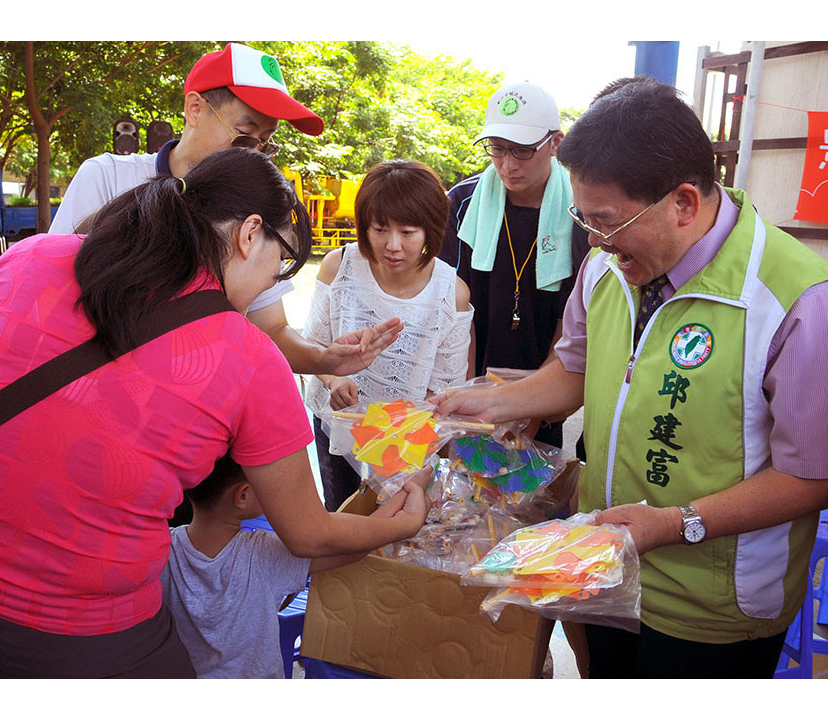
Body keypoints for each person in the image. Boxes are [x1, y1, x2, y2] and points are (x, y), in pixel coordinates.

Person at [0, 148, 428, 678]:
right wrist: (398, 524)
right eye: (280, 262)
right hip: (85, 624)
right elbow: (307, 534)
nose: (271, 283)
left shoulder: (29, 256)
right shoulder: (248, 356)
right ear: (250, 233)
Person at [433, 76, 828, 678]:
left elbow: (809, 476)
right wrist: (493, 403)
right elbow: (575, 366)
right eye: (583, 218)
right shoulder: (606, 263)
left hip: (715, 604)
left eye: (607, 222)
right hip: (602, 564)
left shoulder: (796, 300)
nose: (592, 240)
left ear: (684, 203)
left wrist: (672, 523)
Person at [0, 42, 401, 378]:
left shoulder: (255, 213)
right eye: (246, 136)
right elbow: (46, 286)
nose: (257, 154)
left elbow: (272, 330)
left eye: (267, 143)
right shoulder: (108, 178)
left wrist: (325, 359)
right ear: (195, 108)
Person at [160, 454, 431, 678]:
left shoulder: (164, 547)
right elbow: (355, 547)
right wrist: (410, 491)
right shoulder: (263, 554)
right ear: (242, 496)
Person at [302, 160, 474, 511]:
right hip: (339, 425)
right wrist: (334, 381)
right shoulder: (339, 267)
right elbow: (311, 345)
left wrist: (398, 435)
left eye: (408, 232)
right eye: (379, 230)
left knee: (395, 524)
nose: (392, 245)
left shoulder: (451, 293)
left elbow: (445, 385)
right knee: (341, 513)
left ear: (431, 230)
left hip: (405, 443)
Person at [438, 81, 589, 452]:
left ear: (556, 142)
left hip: (546, 387)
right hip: (465, 388)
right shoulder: (462, 203)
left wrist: (535, 411)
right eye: (497, 149)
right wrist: (464, 392)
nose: (508, 164)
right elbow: (455, 309)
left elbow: (573, 324)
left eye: (522, 151)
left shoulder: (581, 215)